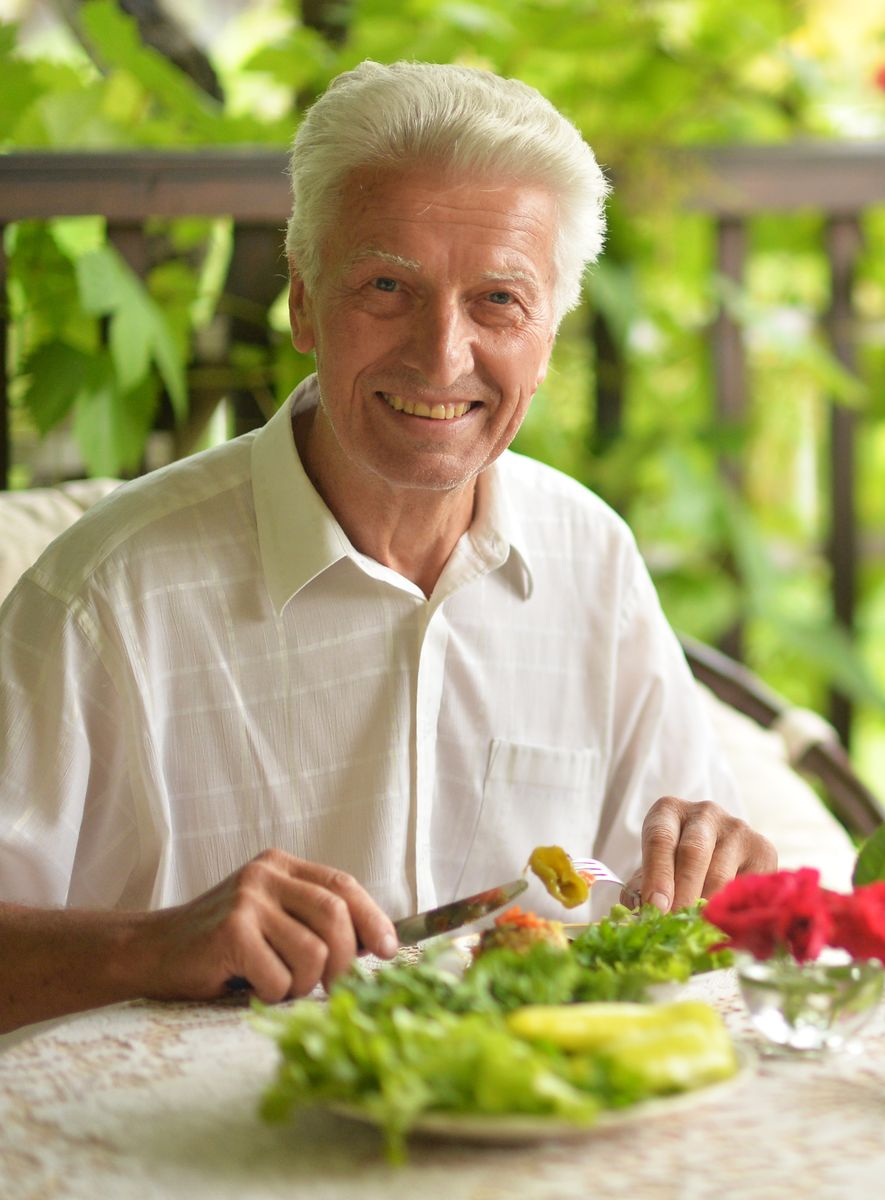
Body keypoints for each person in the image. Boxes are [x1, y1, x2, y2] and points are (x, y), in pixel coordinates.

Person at [0, 62, 775, 1034]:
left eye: (498, 300)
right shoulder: (104, 594)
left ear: (550, 334)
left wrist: (720, 865)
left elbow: (662, 894)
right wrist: (148, 945)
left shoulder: (593, 560)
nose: (440, 356)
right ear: (305, 305)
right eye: (386, 286)